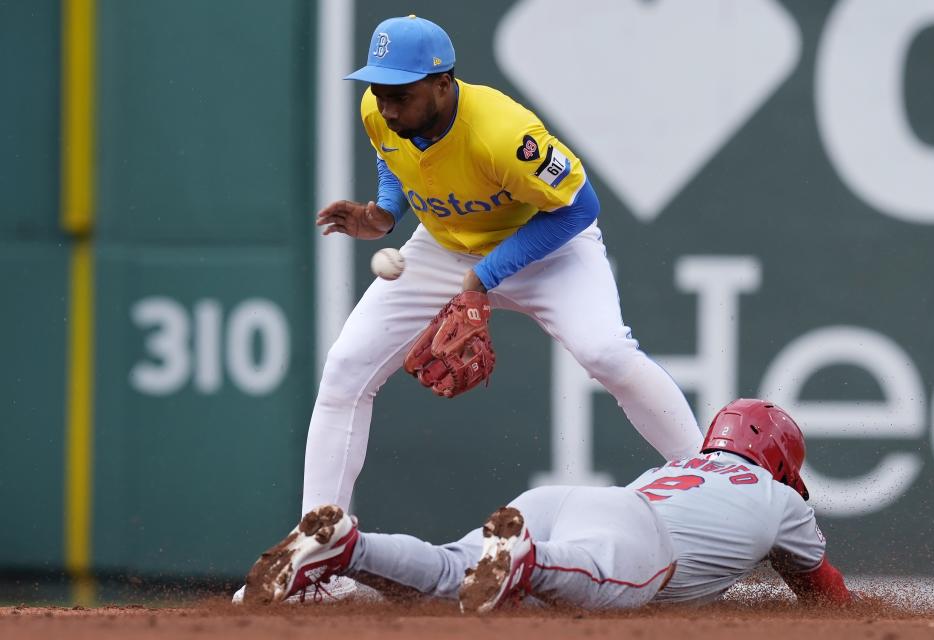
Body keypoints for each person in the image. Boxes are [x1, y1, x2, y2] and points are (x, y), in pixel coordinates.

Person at [306, 13, 701, 518]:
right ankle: (317, 556)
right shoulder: (379, 110)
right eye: (379, 90)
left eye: (400, 94)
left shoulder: (503, 134)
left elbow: (579, 208)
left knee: (607, 353)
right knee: (344, 372)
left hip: (548, 248)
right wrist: (382, 212)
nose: (387, 105)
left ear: (443, 83)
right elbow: (396, 159)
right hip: (443, 246)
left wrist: (481, 279)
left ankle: (720, 487)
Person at [240, 399, 852, 611]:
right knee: (595, 580)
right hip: (635, 537)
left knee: (456, 574)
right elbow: (823, 589)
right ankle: (526, 562)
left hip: (575, 500)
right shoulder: (779, 498)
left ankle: (347, 547)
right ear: (777, 461)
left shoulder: (674, 466)